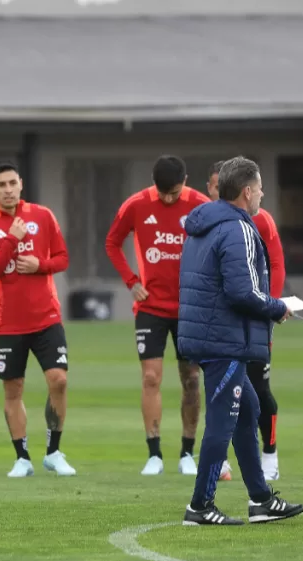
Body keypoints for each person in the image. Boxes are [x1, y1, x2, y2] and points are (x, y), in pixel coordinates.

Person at [177, 156, 303, 525]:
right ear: (247, 191)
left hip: (205, 335)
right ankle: (200, 506)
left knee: (248, 410)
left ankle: (261, 500)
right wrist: (277, 307)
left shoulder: (202, 225)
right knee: (222, 421)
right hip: (225, 341)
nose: (263, 194)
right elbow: (241, 291)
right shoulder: (240, 229)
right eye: (260, 187)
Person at [104, 155, 210, 477]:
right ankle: (154, 454)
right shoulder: (136, 205)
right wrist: (131, 281)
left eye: (174, 193)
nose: (168, 199)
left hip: (189, 308)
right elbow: (112, 243)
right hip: (150, 307)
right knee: (151, 378)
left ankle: (187, 453)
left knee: (191, 379)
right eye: (163, 192)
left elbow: (218, 247)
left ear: (186, 182)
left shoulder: (201, 205)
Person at [0, 160, 75, 479]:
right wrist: (12, 240)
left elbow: (62, 259)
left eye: (12, 183)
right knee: (13, 390)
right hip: (8, 323)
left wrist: (39, 264)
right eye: (1, 185)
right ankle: (22, 457)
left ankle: (54, 452)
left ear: (21, 184)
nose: (8, 190)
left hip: (46, 317)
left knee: (59, 379)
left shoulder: (42, 216)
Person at [207, 160, 286, 481]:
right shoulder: (209, 221)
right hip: (223, 325)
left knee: (259, 390)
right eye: (211, 185)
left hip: (254, 324)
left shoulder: (262, 221)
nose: (214, 191)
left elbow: (277, 262)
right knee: (222, 391)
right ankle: (221, 458)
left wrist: (271, 308)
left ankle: (270, 454)